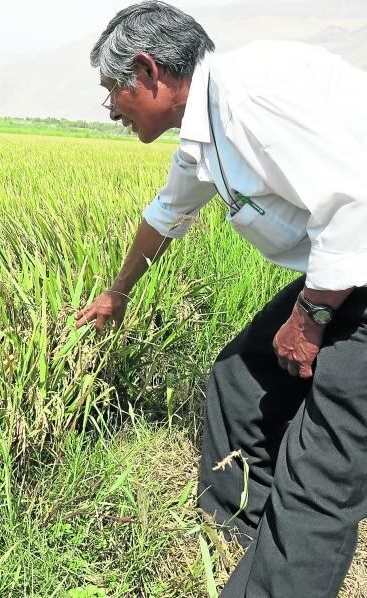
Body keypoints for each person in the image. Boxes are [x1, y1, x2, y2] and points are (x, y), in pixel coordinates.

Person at [74, 1, 367, 596]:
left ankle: (280, 567)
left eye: (112, 92)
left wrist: (310, 318)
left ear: (147, 71)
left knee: (321, 473)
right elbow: (168, 212)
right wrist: (117, 293)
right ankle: (235, 527)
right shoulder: (206, 123)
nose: (111, 112)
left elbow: (356, 203)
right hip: (345, 271)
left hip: (354, 263)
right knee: (242, 376)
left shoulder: (253, 97)